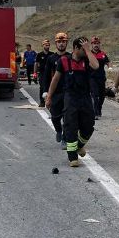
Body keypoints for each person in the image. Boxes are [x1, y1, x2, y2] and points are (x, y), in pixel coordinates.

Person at [46, 36, 99, 167]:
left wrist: (87, 50)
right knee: (71, 126)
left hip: (85, 97)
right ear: (76, 48)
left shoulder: (87, 61)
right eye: (83, 48)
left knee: (88, 126)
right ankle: (72, 157)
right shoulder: (64, 61)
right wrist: (49, 97)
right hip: (70, 97)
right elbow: (55, 79)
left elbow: (96, 66)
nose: (86, 51)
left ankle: (79, 145)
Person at [43, 33, 71, 145]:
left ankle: (65, 138)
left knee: (67, 117)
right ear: (56, 43)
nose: (61, 44)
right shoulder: (51, 59)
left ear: (66, 43)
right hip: (55, 92)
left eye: (63, 41)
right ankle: (58, 130)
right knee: (55, 116)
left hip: (68, 91)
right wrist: (46, 92)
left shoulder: (70, 57)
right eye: (59, 42)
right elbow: (46, 77)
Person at [89, 36, 110, 119]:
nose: (96, 45)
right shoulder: (89, 54)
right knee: (95, 94)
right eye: (94, 43)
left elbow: (108, 62)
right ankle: (95, 112)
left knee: (102, 96)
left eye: (97, 43)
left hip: (101, 78)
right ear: (92, 44)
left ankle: (99, 108)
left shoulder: (103, 54)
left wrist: (110, 67)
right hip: (92, 78)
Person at [35, 39, 54, 105]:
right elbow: (36, 64)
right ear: (43, 46)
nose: (47, 46)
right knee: (42, 87)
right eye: (46, 45)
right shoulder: (39, 54)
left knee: (51, 86)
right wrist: (35, 73)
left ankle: (50, 100)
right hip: (42, 73)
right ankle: (42, 102)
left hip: (50, 73)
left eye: (48, 45)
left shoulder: (52, 54)